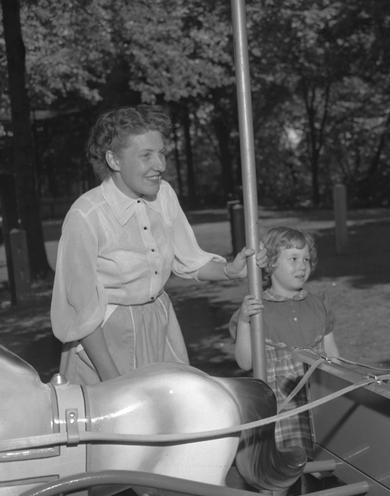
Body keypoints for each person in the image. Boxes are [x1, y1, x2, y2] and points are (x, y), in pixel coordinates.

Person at [51, 105, 266, 385]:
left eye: (161, 153)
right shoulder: (86, 216)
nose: (161, 165)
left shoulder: (164, 195)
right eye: (146, 156)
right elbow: (82, 312)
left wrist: (228, 270)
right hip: (106, 343)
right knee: (120, 414)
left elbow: (187, 259)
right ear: (114, 160)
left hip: (161, 328)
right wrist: (113, 383)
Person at [230, 226, 340, 457]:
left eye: (306, 259)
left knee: (325, 459)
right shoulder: (257, 309)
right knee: (286, 463)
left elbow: (333, 355)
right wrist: (244, 322)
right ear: (271, 263)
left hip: (318, 401)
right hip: (282, 407)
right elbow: (245, 362)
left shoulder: (318, 305)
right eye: (293, 258)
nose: (302, 265)